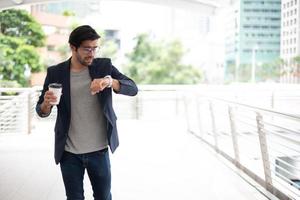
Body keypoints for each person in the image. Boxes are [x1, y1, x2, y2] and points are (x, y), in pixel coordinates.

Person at [36, 25, 138, 200]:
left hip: (99, 150)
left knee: (103, 197)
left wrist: (109, 81)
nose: (91, 53)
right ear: (73, 47)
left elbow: (133, 88)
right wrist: (46, 103)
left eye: (94, 48)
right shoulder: (56, 73)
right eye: (86, 49)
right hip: (68, 152)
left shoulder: (104, 67)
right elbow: (41, 111)